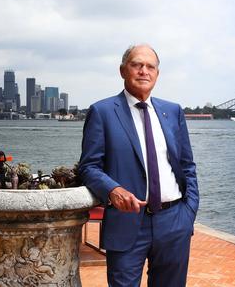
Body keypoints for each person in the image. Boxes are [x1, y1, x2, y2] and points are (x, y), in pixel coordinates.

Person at [78, 44, 199, 287]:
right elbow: (89, 166)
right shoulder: (102, 112)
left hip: (174, 221)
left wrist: (189, 212)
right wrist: (112, 190)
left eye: (150, 66)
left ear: (157, 73)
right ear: (123, 70)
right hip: (127, 222)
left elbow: (187, 166)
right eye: (137, 65)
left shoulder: (172, 111)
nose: (144, 71)